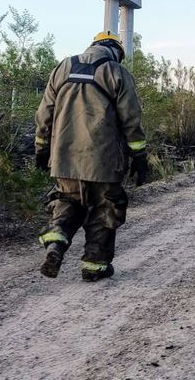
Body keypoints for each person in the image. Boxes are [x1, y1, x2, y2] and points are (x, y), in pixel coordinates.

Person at [34, 31, 147, 282]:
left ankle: (56, 242)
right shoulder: (116, 72)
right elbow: (131, 119)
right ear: (116, 52)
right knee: (105, 208)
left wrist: (41, 149)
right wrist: (139, 156)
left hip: (64, 158)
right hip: (104, 160)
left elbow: (44, 114)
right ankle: (95, 266)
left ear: (94, 45)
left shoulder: (63, 67)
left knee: (67, 201)